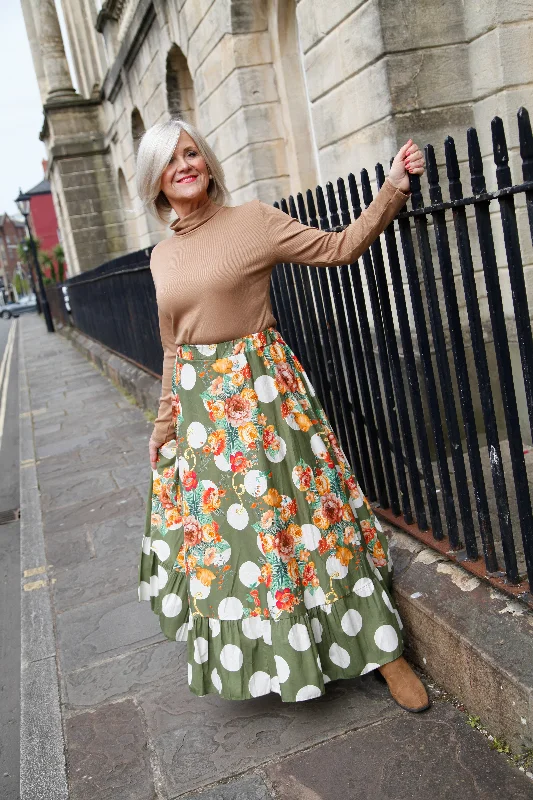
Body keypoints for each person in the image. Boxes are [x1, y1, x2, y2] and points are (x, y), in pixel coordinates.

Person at [136, 117, 429, 712]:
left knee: (312, 521)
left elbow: (340, 247)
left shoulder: (255, 222)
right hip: (204, 419)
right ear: (157, 181)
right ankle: (289, 653)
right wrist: (164, 424)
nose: (185, 165)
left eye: (192, 153)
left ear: (208, 163)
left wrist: (394, 187)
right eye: (172, 160)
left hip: (267, 396)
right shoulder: (160, 257)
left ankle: (384, 649)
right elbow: (173, 348)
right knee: (243, 545)